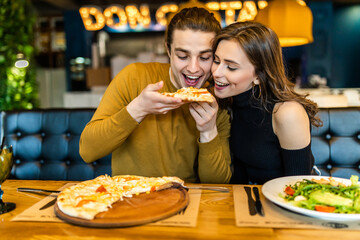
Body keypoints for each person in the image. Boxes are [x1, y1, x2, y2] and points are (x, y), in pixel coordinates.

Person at [79, 7, 232, 183]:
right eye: (183, 56)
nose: (193, 68)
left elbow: (218, 185)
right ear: (168, 50)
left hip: (185, 200)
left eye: (205, 57)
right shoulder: (133, 77)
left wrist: (208, 130)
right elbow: (87, 151)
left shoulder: (216, 100)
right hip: (128, 197)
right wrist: (138, 109)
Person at [211, 21, 322, 184]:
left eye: (231, 67)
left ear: (259, 75)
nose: (216, 72)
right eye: (216, 60)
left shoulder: (287, 113)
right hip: (246, 201)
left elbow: (298, 187)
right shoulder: (231, 100)